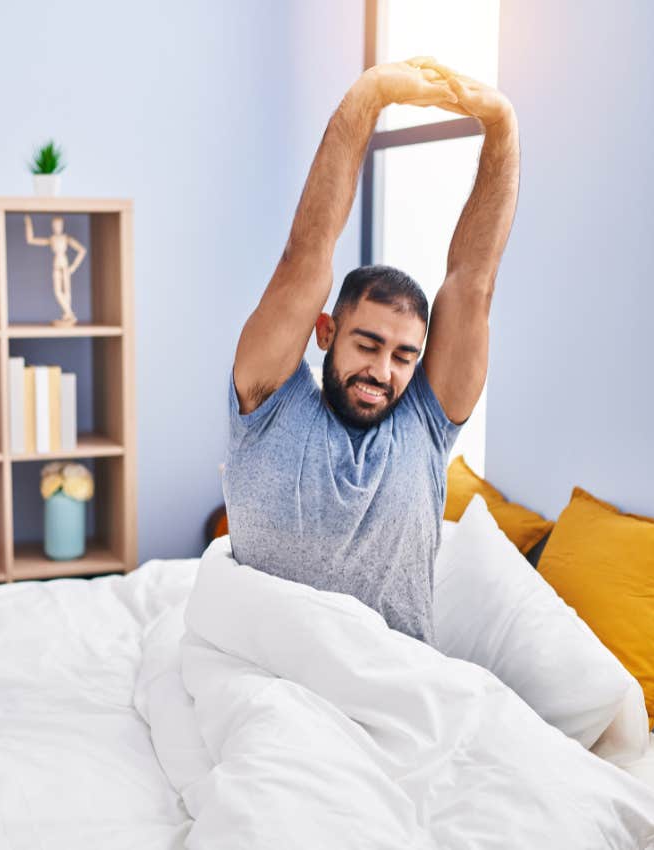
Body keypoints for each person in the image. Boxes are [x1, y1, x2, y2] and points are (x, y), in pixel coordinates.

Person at [223, 57, 520, 644]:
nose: (382, 372)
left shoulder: (427, 426)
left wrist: (502, 124)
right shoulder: (268, 402)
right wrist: (370, 96)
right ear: (326, 331)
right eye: (369, 344)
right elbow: (303, 256)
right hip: (266, 681)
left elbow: (473, 281)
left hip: (391, 695)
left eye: (405, 355)